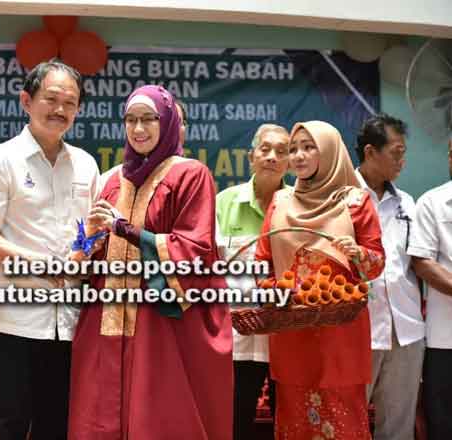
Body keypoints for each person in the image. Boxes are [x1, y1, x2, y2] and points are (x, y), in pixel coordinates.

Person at [68, 85, 233, 440]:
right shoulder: (112, 179)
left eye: (148, 119)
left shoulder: (190, 175)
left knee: (158, 418)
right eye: (130, 120)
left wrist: (124, 229)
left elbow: (192, 250)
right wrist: (90, 239)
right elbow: (90, 249)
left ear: (168, 121)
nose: (138, 129)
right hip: (105, 318)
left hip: (160, 321)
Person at [0, 59, 99, 440]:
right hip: (9, 321)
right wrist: (40, 263)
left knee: (57, 426)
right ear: (27, 100)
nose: (60, 110)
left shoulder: (86, 166)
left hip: (67, 323)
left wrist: (81, 252)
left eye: (69, 103)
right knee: (6, 426)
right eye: (51, 99)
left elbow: (88, 231)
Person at [255, 120, 385, 439]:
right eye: (294, 149)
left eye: (308, 147)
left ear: (328, 152)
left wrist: (357, 253)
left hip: (340, 335)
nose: (298, 156)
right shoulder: (280, 202)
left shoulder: (355, 201)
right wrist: (278, 294)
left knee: (342, 422)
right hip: (292, 332)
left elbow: (376, 263)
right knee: (294, 419)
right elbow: (262, 263)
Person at [216, 123, 289, 439]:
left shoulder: (299, 206)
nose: (272, 157)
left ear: (289, 161)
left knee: (285, 420)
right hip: (237, 337)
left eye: (281, 151)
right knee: (235, 419)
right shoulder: (224, 201)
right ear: (251, 157)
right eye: (265, 149)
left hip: (286, 336)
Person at [355, 114, 424, 440]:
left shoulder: (407, 203)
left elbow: (416, 263)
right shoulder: (341, 198)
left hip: (406, 329)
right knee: (349, 422)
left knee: (398, 427)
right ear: (371, 152)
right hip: (358, 330)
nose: (402, 161)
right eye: (396, 152)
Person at [408, 135, 452, 440]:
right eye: (451, 152)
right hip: (444, 339)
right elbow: (422, 262)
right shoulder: (432, 202)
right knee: (443, 424)